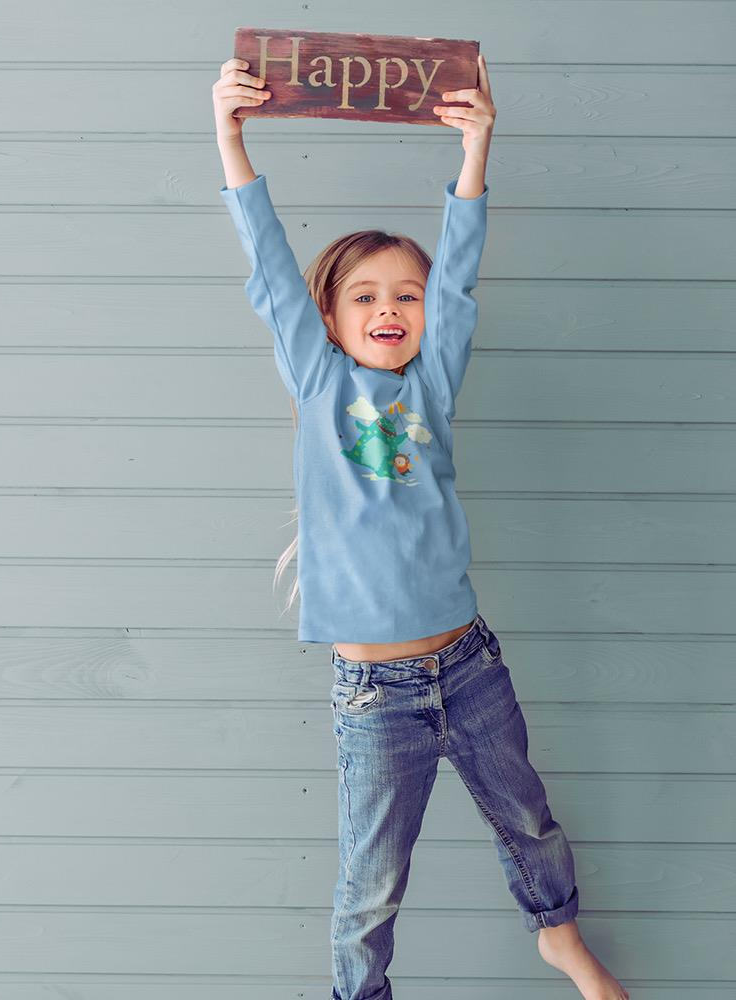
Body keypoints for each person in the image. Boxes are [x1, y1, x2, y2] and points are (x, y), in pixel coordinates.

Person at [212, 51, 629, 1000]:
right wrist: (230, 137)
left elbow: (462, 276)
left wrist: (478, 148)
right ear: (328, 317)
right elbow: (271, 267)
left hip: (471, 667)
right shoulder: (318, 385)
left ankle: (558, 936)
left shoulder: (432, 389)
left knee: (530, 821)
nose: (390, 309)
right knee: (370, 885)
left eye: (406, 294)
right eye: (365, 296)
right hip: (376, 694)